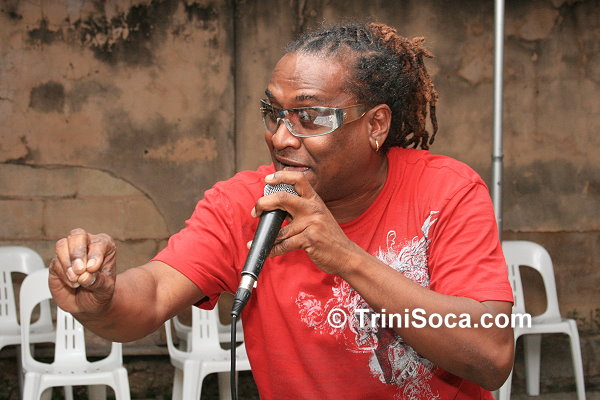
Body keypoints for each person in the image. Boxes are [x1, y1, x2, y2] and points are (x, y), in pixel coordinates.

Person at [49, 22, 514, 399]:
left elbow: (491, 357)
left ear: (376, 125)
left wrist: (345, 257)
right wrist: (103, 299)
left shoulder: (446, 191)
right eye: (273, 112)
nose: (281, 137)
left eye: (310, 117)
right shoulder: (243, 203)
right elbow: (151, 295)